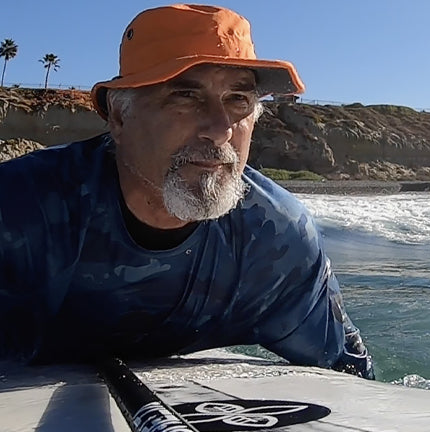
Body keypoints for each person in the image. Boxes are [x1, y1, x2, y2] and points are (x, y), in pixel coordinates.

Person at [0, 4, 374, 379]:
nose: (220, 128)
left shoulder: (274, 238)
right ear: (119, 116)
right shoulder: (21, 210)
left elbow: (350, 376)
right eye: (185, 96)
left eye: (238, 100)